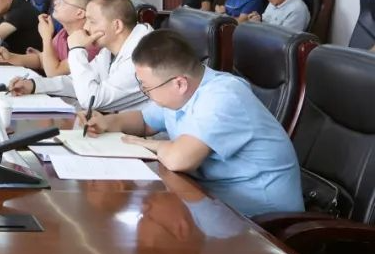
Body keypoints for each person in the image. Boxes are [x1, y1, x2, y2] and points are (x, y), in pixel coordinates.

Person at [81, 29, 303, 218]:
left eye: (146, 88)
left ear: (179, 84)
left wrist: (146, 144)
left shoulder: (223, 96)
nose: (146, 93)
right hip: (210, 198)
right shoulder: (182, 92)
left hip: (261, 219)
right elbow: (145, 122)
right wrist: (107, 122)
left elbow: (179, 160)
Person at [15, 0, 152, 112]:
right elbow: (79, 82)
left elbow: (92, 100)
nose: (85, 27)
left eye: (92, 21)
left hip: (141, 132)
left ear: (117, 26)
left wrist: (77, 49)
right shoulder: (109, 50)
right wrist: (34, 85)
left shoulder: (142, 57)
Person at [36, 0, 104, 78]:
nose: (55, 2)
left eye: (63, 0)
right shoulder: (64, 33)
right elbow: (44, 59)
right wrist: (11, 57)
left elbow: (53, 72)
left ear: (80, 13)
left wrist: (46, 37)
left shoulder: (91, 44)